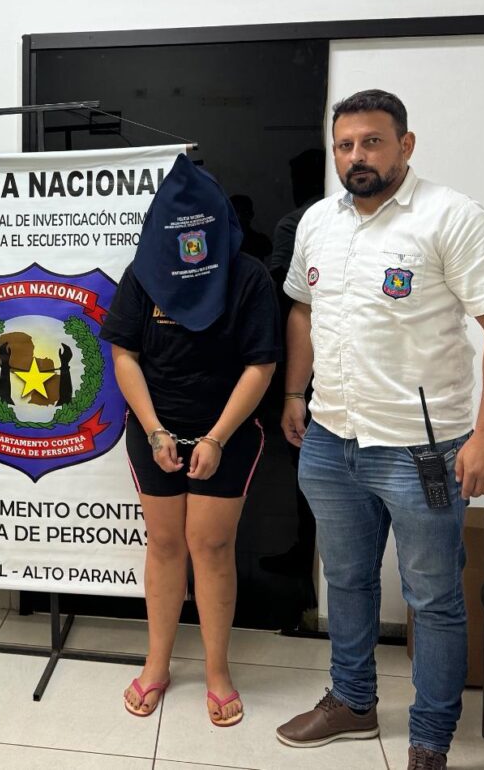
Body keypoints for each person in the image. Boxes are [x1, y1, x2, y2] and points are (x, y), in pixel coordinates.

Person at [276, 90, 484, 770]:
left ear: (405, 145)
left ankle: (429, 740)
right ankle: (352, 703)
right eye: (345, 145)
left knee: (434, 599)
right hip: (331, 441)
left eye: (372, 141)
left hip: (423, 452)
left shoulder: (451, 216)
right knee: (346, 581)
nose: (356, 156)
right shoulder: (318, 223)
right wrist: (296, 392)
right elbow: (302, 310)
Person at [102, 154, 281, 727]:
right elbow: (124, 354)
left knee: (211, 545)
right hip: (154, 429)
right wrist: (155, 430)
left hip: (227, 432)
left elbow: (261, 364)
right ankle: (157, 664)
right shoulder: (142, 274)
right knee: (164, 544)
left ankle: (217, 671)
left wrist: (217, 437)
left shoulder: (248, 276)